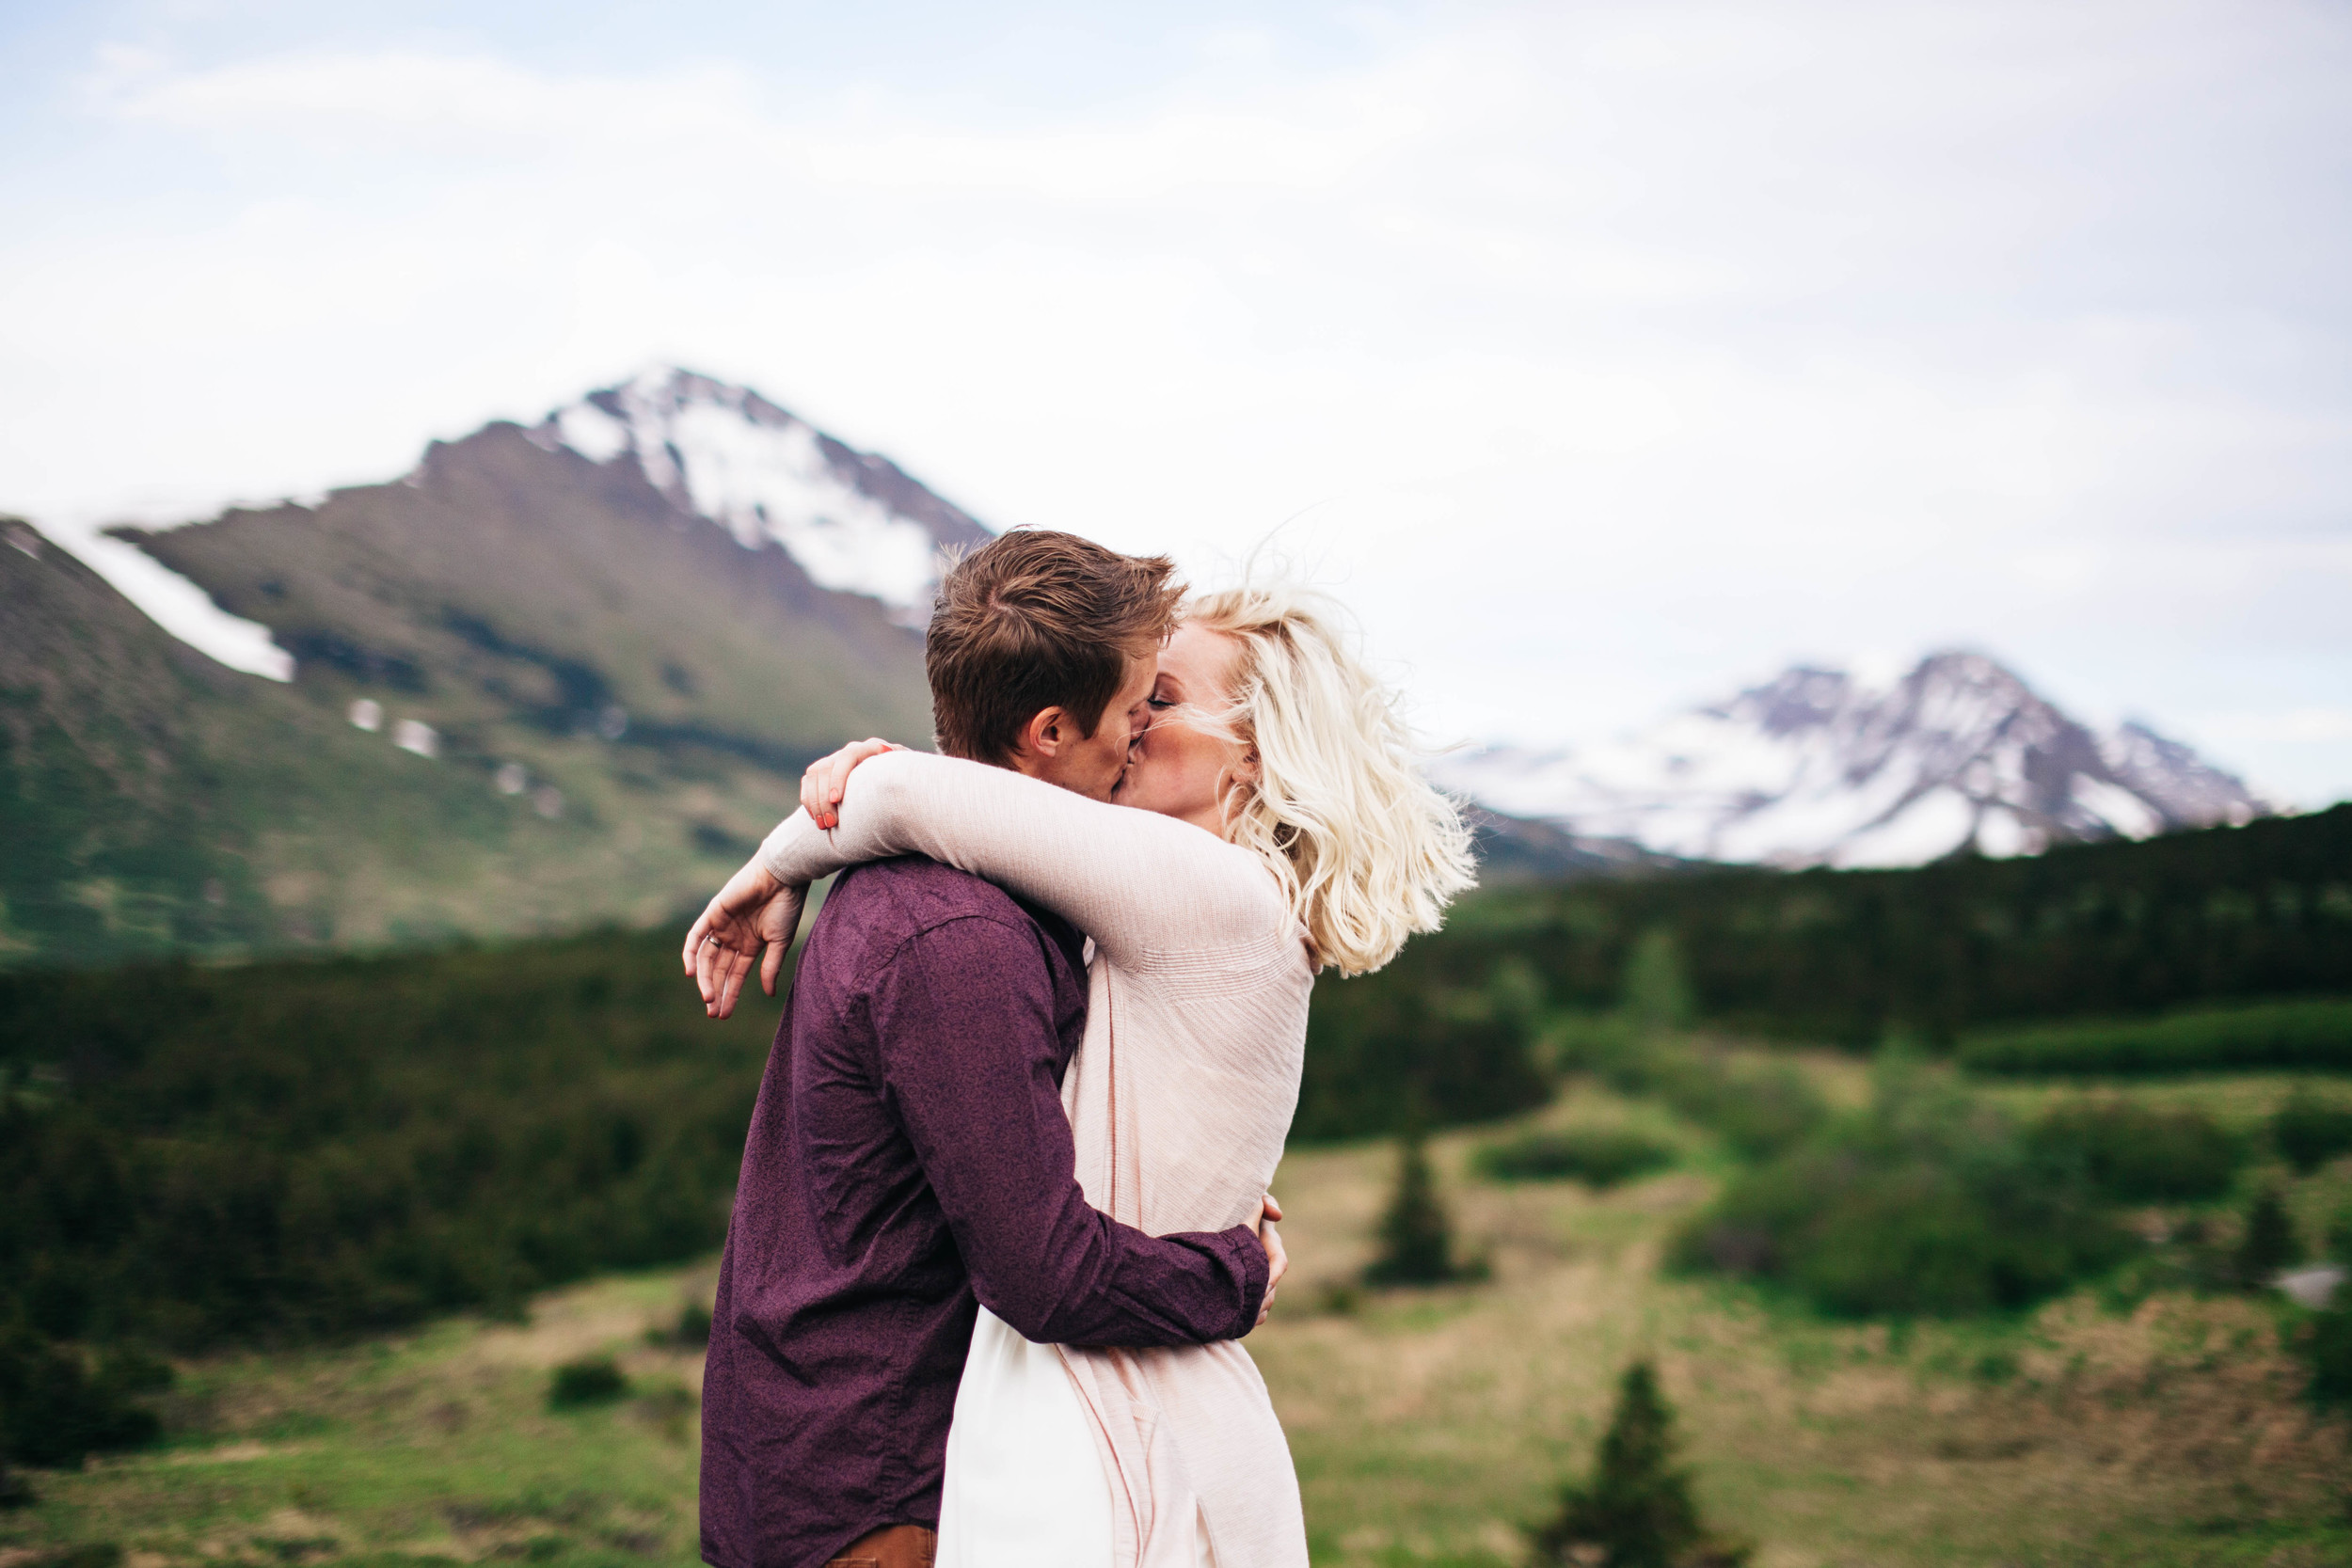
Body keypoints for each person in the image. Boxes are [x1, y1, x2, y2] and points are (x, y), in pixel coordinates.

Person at [691, 538, 1476, 1568]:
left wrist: (783, 854)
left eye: (1163, 696)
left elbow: (894, 797)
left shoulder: (1211, 898)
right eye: (1134, 697)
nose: (1138, 720)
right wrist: (1222, 1247)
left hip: (1116, 1400)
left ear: (1251, 750)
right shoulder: (1099, 911)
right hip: (1059, 1397)